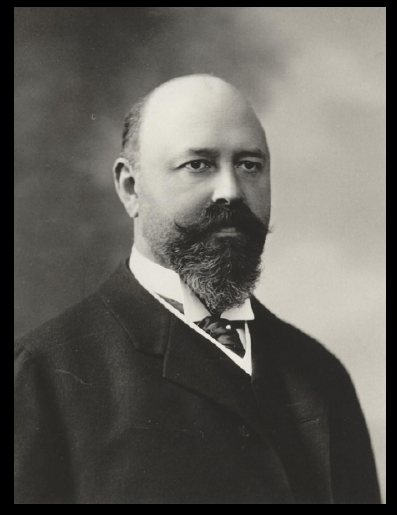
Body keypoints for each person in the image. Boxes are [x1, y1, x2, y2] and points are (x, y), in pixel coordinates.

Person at [14, 74, 381, 504]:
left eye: (250, 165)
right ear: (131, 188)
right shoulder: (41, 377)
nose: (230, 191)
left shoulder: (321, 375)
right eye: (198, 165)